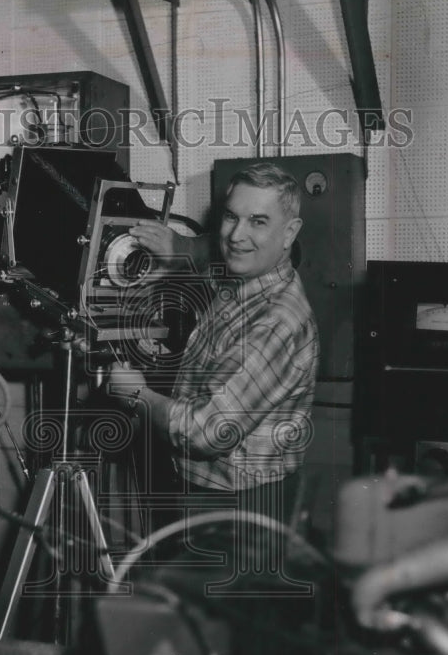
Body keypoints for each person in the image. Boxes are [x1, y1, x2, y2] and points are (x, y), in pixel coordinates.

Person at [106, 163, 319, 524]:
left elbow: (208, 432)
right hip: (208, 491)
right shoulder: (247, 279)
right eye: (231, 217)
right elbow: (215, 261)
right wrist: (175, 264)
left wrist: (136, 395)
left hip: (240, 506)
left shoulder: (275, 323)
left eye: (258, 221)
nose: (237, 235)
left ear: (290, 232)